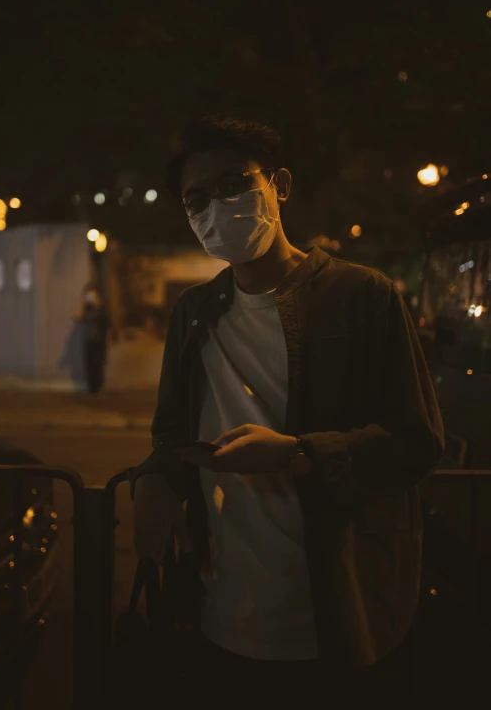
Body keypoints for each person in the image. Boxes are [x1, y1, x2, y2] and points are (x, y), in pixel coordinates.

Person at [130, 115, 444, 707]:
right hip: (224, 608)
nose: (216, 208)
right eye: (196, 199)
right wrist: (156, 478)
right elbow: (171, 436)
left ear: (281, 184)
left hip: (339, 607)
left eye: (233, 184)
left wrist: (298, 455)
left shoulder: (364, 296)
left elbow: (417, 440)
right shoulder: (194, 313)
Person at [75, 283, 110, 394]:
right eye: (88, 295)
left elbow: (106, 323)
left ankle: (98, 387)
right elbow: (77, 318)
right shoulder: (86, 309)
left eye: (92, 295)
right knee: (89, 364)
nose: (90, 298)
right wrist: (84, 306)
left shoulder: (101, 309)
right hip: (88, 340)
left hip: (99, 341)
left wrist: (97, 305)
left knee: (98, 364)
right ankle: (91, 388)